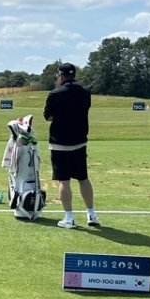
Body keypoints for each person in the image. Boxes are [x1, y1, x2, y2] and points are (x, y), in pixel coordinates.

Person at [43, 63, 99, 229]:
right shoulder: (85, 93)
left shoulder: (54, 94)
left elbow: (48, 116)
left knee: (64, 181)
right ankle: (91, 214)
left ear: (61, 76)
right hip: (80, 142)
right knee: (83, 178)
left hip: (60, 143)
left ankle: (69, 218)